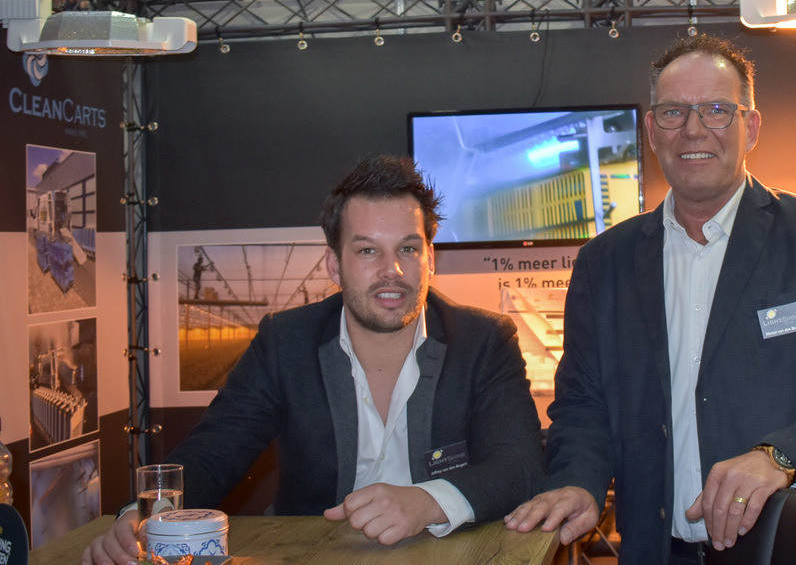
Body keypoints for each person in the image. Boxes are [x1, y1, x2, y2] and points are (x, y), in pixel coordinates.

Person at [506, 34, 796, 564]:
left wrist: (779, 458)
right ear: (651, 131)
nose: (693, 129)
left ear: (750, 127)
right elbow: (582, 407)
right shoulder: (605, 262)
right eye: (673, 112)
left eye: (716, 110)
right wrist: (578, 481)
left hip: (789, 549)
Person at [84, 155, 543, 565]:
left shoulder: (483, 341)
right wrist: (143, 516)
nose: (392, 270)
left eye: (408, 248)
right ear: (333, 264)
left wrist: (427, 502)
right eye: (368, 250)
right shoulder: (286, 342)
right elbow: (215, 450)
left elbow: (520, 466)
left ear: (430, 258)